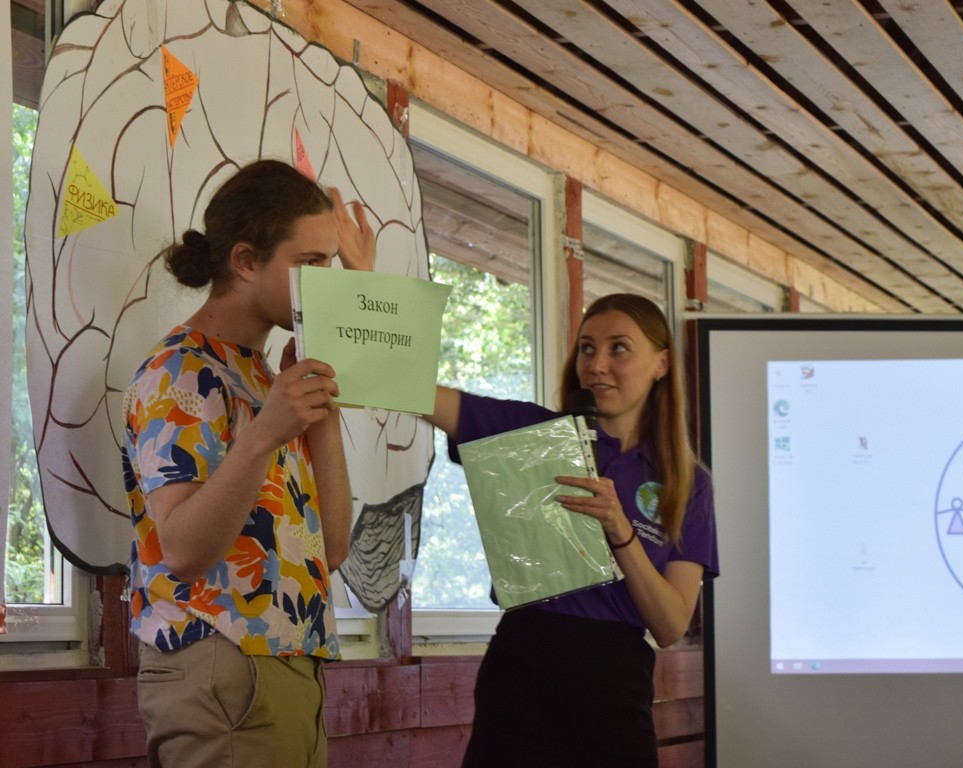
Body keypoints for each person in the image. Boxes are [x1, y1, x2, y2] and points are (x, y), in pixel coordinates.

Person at [121, 158, 375, 768]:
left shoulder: (265, 376)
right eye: (310, 263)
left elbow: (331, 547)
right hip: (222, 661)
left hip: (287, 659)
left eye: (329, 265)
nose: (323, 281)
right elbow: (183, 550)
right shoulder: (179, 370)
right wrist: (262, 436)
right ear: (244, 261)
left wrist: (323, 406)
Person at [427, 293, 719, 768]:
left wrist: (620, 531)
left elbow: (670, 626)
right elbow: (415, 392)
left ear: (661, 364)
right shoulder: (536, 434)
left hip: (615, 688)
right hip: (522, 670)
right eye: (586, 348)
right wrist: (366, 287)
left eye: (618, 348)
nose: (597, 364)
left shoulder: (687, 482)